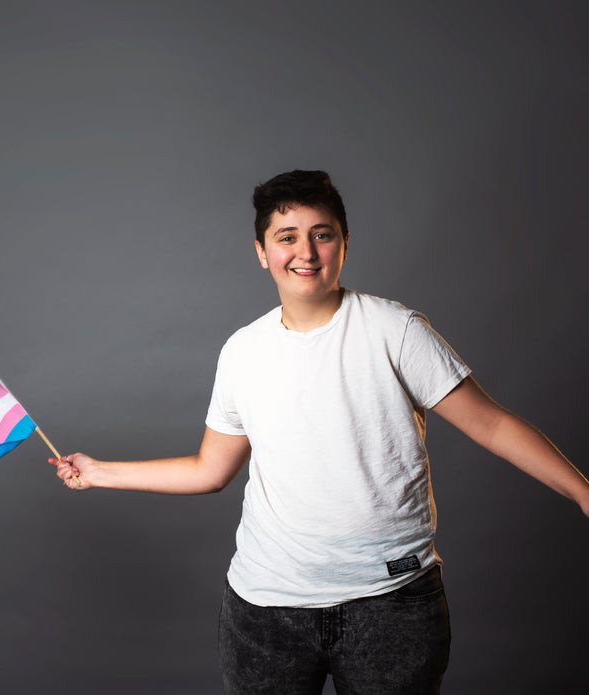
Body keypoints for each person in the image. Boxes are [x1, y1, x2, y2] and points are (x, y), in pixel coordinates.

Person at [48, 170, 589, 695]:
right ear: (262, 252)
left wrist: (584, 493)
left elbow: (492, 424)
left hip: (392, 604)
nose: (305, 253)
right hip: (265, 615)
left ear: (343, 244)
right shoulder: (242, 352)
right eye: (287, 238)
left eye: (321, 235)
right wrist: (98, 473)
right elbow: (210, 470)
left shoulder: (395, 330)